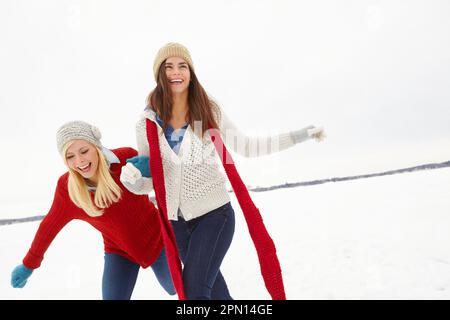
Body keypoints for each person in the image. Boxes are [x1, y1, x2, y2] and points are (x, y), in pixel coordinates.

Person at [121, 42, 326, 300]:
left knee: (194, 293)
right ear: (159, 74)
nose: (176, 72)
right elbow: (151, 178)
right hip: (177, 225)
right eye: (168, 67)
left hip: (214, 215)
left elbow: (248, 147)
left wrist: (297, 136)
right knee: (216, 295)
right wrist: (134, 182)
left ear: (191, 72)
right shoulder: (147, 123)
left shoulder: (207, 109)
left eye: (182, 66)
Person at [10, 121, 175, 300]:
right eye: (70, 156)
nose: (79, 161)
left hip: (158, 239)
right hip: (119, 250)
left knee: (175, 288)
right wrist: (29, 265)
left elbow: (171, 182)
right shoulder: (68, 190)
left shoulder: (124, 161)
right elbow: (49, 226)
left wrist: (153, 167)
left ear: (96, 146)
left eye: (84, 151)